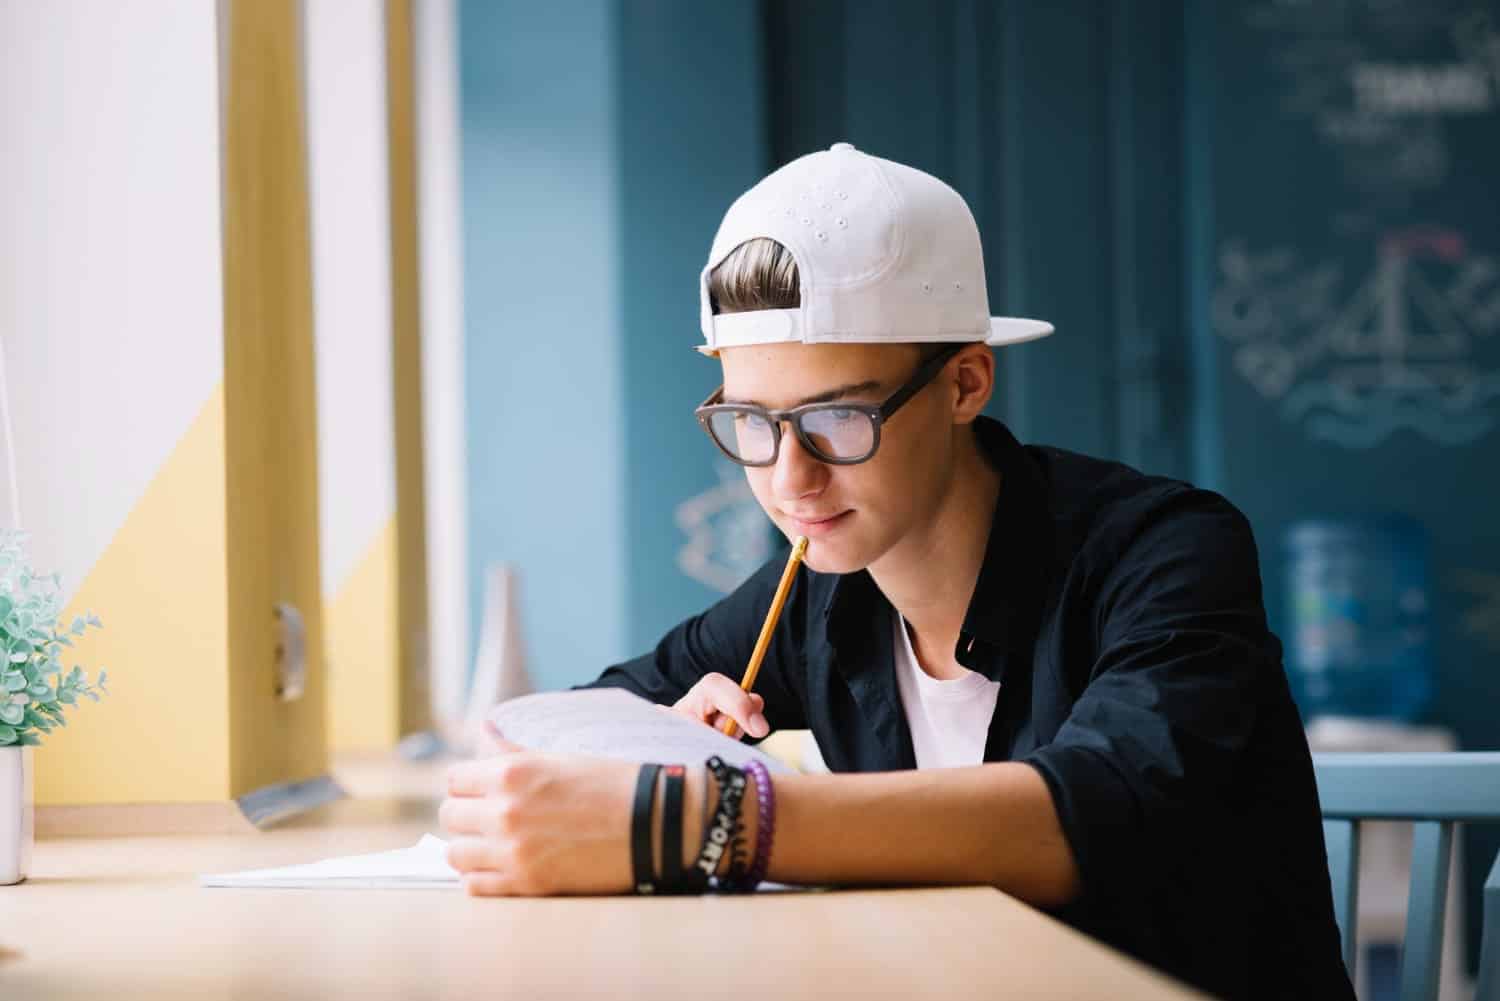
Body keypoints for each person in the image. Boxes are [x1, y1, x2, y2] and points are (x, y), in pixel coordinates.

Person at [440, 142, 1355, 1000]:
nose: (789, 478)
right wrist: (657, 751)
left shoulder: (1165, 552)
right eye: (750, 423)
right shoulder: (816, 590)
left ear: (965, 383)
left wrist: (710, 819)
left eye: (838, 419)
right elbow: (558, 733)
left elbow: (1099, 807)